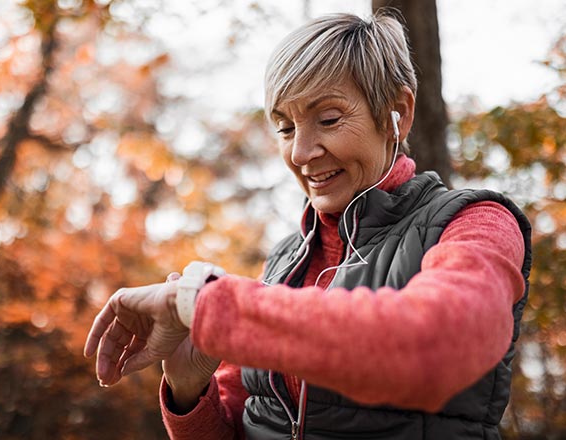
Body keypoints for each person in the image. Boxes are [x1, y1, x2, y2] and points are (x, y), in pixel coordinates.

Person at [84, 11, 531, 440]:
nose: (300, 152)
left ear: (398, 112)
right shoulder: (283, 260)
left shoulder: (475, 223)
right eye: (284, 128)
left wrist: (202, 305)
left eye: (329, 119)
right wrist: (188, 388)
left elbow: (435, 347)